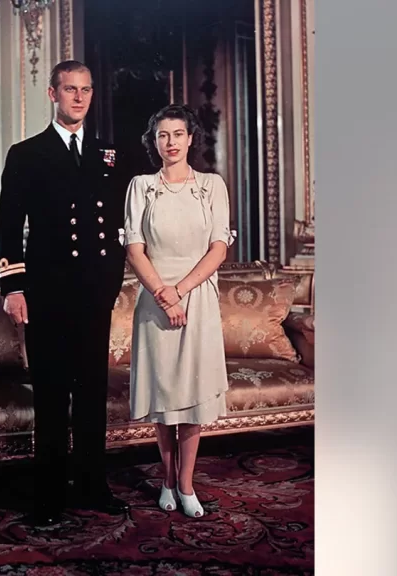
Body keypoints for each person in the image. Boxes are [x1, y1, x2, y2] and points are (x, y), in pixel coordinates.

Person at [0, 60, 131, 527]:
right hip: (48, 294)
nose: (79, 97)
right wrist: (13, 287)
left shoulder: (109, 153)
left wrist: (113, 282)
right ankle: (50, 496)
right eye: (70, 89)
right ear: (52, 94)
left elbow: (119, 225)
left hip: (94, 295)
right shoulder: (27, 153)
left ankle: (93, 486)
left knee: (92, 393)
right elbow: (10, 226)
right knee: (52, 396)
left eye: (86, 90)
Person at [122, 104, 234, 518]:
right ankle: (165, 479)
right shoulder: (140, 186)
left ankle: (185, 485)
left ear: (191, 139)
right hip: (154, 300)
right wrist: (162, 294)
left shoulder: (211, 185)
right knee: (164, 396)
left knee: (191, 398)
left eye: (178, 134)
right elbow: (134, 248)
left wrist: (182, 292)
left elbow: (218, 247)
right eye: (162, 135)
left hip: (197, 298)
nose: (170, 142)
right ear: (155, 141)